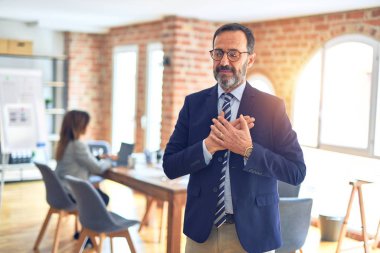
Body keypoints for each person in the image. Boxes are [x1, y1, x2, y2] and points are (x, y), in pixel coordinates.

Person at [163, 23, 306, 253]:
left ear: (250, 60)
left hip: (253, 234)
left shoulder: (272, 108)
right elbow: (170, 166)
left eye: (233, 54)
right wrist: (208, 146)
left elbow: (296, 172)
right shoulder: (193, 105)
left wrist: (248, 150)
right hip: (202, 233)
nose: (224, 62)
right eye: (218, 53)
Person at [55, 110, 112, 205]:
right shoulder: (77, 145)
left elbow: (79, 160)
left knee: (100, 194)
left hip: (62, 191)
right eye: (86, 124)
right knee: (104, 199)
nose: (87, 126)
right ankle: (91, 219)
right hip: (72, 193)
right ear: (80, 125)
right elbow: (97, 168)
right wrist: (110, 162)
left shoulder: (64, 144)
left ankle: (89, 219)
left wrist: (97, 157)